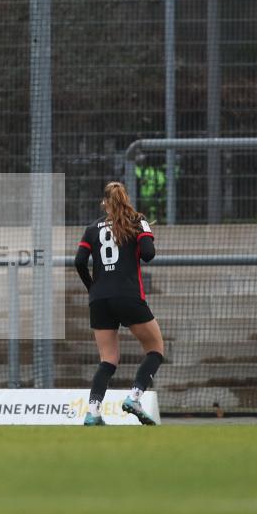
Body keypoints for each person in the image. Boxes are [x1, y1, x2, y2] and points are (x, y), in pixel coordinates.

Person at [74, 181, 164, 426]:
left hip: (99, 299)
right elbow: (148, 254)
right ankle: (134, 397)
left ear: (105, 203)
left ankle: (92, 412)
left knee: (108, 359)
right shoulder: (137, 221)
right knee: (156, 349)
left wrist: (93, 287)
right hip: (128, 295)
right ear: (126, 199)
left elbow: (79, 261)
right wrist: (144, 232)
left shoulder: (92, 229)